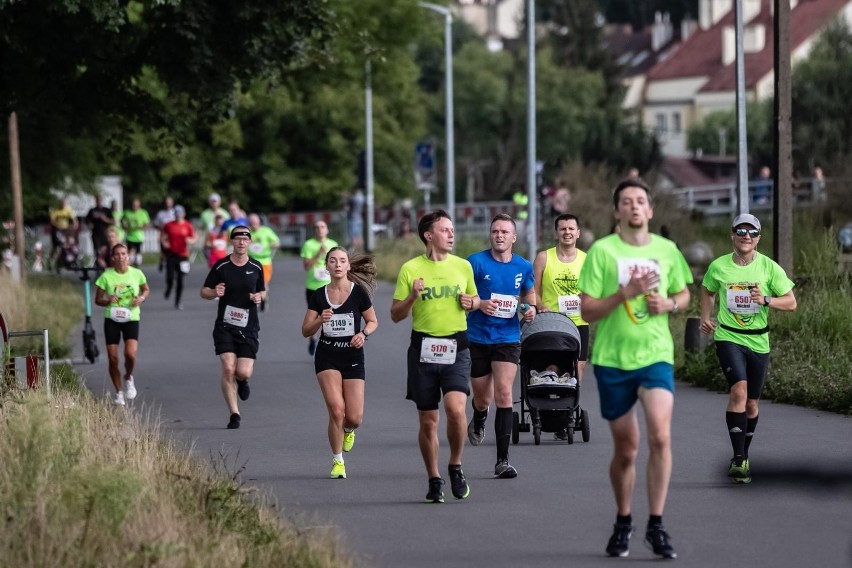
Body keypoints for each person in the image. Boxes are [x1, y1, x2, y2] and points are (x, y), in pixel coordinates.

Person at [578, 178, 692, 559]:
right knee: (627, 449)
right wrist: (624, 293)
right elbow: (587, 309)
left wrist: (671, 306)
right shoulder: (602, 252)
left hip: (656, 355)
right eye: (626, 202)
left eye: (640, 200)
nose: (634, 206)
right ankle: (624, 519)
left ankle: (656, 524)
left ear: (650, 209)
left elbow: (683, 292)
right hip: (613, 359)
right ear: (617, 212)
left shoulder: (667, 250)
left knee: (660, 436)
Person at [699, 214, 796, 484]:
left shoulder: (769, 268)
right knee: (738, 389)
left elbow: (791, 303)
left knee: (752, 403)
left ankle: (744, 454)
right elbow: (707, 291)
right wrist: (706, 318)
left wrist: (766, 299)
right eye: (741, 231)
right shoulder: (718, 266)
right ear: (732, 235)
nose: (746, 236)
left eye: (752, 232)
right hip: (728, 336)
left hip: (758, 340)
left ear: (758, 238)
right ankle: (739, 458)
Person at [390, 210, 479, 503]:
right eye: (445, 230)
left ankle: (455, 465)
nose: (452, 234)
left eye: (452, 229)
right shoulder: (410, 269)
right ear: (429, 235)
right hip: (423, 349)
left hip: (457, 346)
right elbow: (395, 315)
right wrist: (413, 297)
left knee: (455, 410)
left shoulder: (463, 266)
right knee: (428, 420)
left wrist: (472, 302)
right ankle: (434, 478)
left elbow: (474, 299)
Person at [465, 213, 536, 479]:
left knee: (504, 393)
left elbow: (529, 295)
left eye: (505, 232)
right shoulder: (475, 262)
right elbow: (462, 293)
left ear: (514, 237)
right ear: (490, 235)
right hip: (478, 337)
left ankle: (502, 461)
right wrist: (479, 303)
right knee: (483, 398)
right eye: (495, 231)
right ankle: (479, 415)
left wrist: (531, 309)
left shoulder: (523, 266)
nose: (499, 235)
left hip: (508, 337)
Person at [301, 247, 378, 479]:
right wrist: (319, 321)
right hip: (327, 356)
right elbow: (305, 330)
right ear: (326, 266)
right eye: (332, 260)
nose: (337, 264)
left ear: (348, 266)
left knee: (353, 417)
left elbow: (373, 321)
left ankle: (348, 429)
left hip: (353, 356)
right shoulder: (318, 295)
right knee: (336, 409)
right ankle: (338, 461)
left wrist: (363, 334)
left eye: (342, 261)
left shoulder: (358, 293)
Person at [200, 226, 266, 429]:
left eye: (245, 239)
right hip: (225, 325)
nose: (241, 242)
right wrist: (214, 292)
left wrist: (258, 297)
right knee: (228, 368)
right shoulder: (221, 266)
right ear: (232, 242)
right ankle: (234, 414)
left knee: (243, 372)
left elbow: (263, 291)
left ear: (249, 242)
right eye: (237, 239)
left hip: (248, 327)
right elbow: (204, 291)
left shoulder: (256, 266)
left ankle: (243, 381)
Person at [533, 213, 590, 385]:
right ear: (556, 232)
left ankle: (570, 405)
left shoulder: (586, 260)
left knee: (578, 369)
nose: (567, 232)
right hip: (552, 321)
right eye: (563, 229)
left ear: (578, 232)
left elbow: (595, 292)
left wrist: (586, 297)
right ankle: (551, 401)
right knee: (553, 366)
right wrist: (541, 305)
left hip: (579, 322)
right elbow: (533, 291)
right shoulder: (544, 257)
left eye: (571, 228)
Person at [94, 243, 149, 406]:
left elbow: (145, 289)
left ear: (128, 256)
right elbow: (98, 299)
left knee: (130, 355)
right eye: (117, 254)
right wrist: (107, 300)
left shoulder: (137, 273)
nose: (121, 257)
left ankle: (128, 376)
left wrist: (141, 298)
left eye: (124, 254)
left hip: (131, 317)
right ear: (112, 258)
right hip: (112, 318)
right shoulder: (106, 276)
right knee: (113, 357)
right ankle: (118, 392)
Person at [300, 220, 338, 355]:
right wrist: (318, 253)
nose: (319, 229)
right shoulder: (308, 245)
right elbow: (306, 266)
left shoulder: (333, 245)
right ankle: (312, 339)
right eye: (316, 227)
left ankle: (328, 341)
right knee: (314, 316)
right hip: (313, 286)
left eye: (322, 227)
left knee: (330, 315)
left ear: (327, 230)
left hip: (329, 286)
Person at [160, 205, 197, 310]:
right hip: (171, 254)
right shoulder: (169, 225)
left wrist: (190, 241)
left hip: (183, 255)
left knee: (181, 280)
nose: (178, 216)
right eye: (177, 214)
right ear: (174, 215)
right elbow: (162, 236)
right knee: (170, 278)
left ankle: (178, 301)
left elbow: (193, 238)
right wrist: (164, 243)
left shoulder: (188, 225)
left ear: (184, 214)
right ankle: (168, 288)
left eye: (180, 214)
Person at [247, 213, 281, 311]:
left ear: (259, 222)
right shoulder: (247, 232)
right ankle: (257, 300)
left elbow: (277, 243)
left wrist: (270, 245)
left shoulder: (266, 231)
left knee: (264, 283)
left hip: (265, 261)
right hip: (251, 261)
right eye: (252, 223)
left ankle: (263, 298)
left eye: (255, 223)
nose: (254, 225)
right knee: (252, 283)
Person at [49, 197, 79, 268]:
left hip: (65, 230)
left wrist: (74, 226)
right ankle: (51, 260)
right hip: (57, 230)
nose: (63, 204)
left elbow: (74, 219)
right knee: (56, 246)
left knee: (67, 244)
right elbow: (52, 221)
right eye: (61, 203)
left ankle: (66, 260)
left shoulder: (68, 210)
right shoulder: (55, 210)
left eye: (64, 203)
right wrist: (57, 225)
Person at [122, 198, 150, 267]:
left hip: (139, 236)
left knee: (138, 252)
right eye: (133, 205)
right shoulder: (127, 212)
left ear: (139, 205)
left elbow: (147, 224)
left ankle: (138, 266)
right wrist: (124, 227)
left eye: (136, 205)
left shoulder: (143, 213)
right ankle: (130, 265)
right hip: (130, 236)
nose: (134, 206)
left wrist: (141, 227)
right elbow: (122, 220)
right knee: (130, 252)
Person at [153, 196, 176, 272]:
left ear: (172, 203)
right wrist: (160, 227)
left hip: (173, 235)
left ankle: (172, 265)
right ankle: (163, 261)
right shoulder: (161, 213)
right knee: (164, 251)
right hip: (164, 235)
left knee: (173, 252)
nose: (168, 204)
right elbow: (155, 224)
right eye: (167, 203)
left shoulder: (175, 212)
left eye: (169, 202)